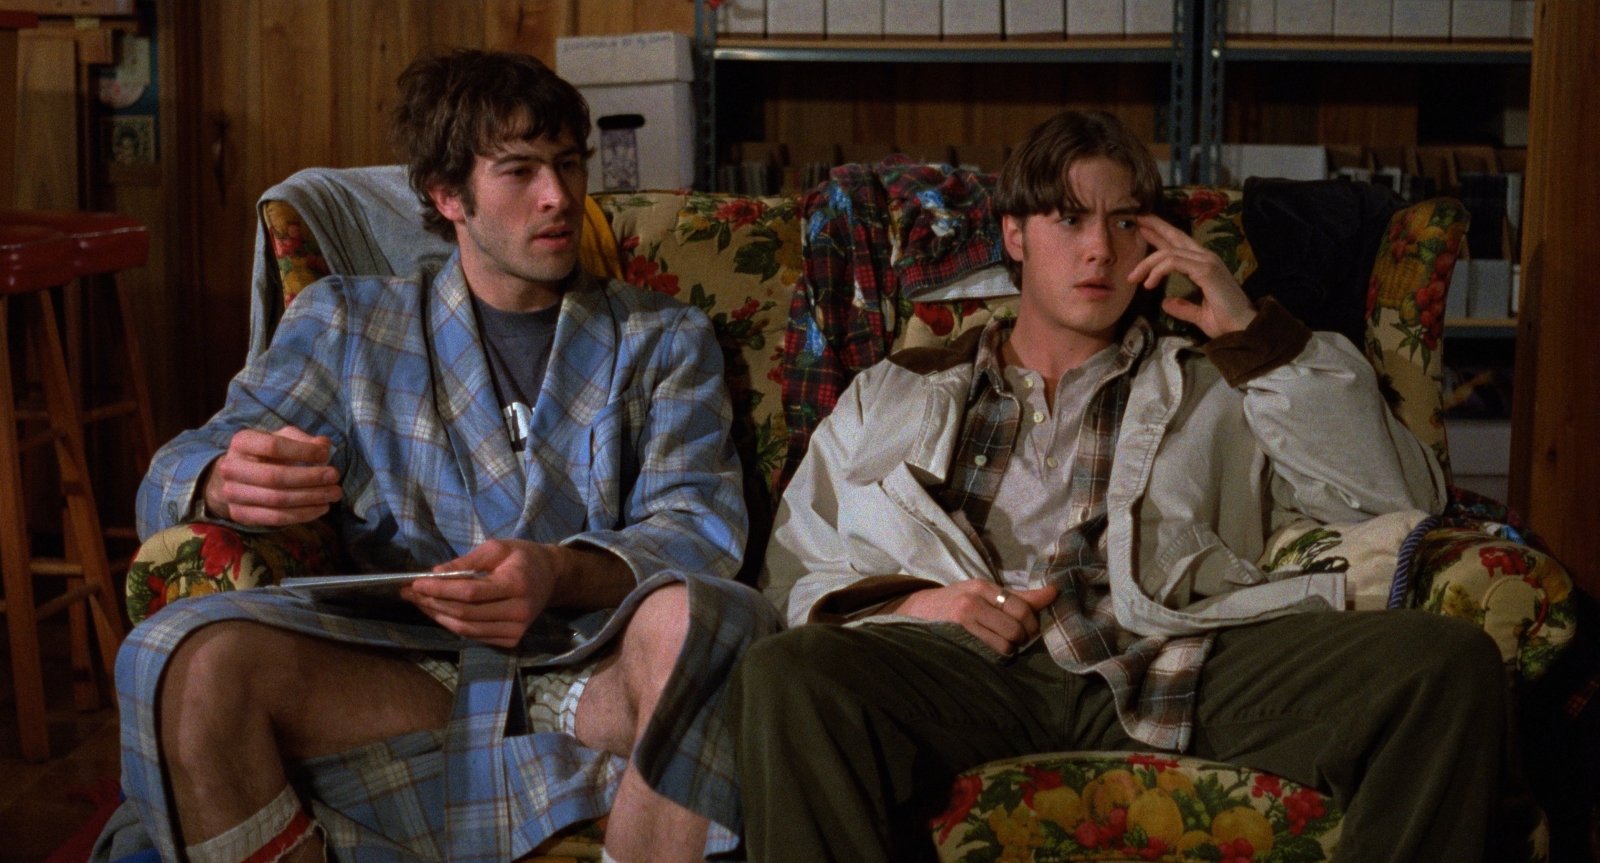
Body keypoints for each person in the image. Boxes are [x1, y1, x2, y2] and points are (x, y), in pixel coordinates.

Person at [734, 110, 1505, 863]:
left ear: (1152, 240)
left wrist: (1251, 335)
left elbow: (1394, 493)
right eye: (1069, 219)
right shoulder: (895, 391)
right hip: (968, 670)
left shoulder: (1217, 381)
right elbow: (792, 576)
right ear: (1014, 234)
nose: (1099, 248)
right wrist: (916, 604)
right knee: (786, 676)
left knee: (1445, 664)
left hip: (1171, 658)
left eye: (1125, 221)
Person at [118, 49, 776, 863]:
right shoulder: (348, 322)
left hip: (593, 670)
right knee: (177, 657)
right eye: (520, 171)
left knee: (714, 616)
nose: (558, 196)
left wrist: (556, 571)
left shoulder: (663, 338)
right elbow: (181, 464)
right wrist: (224, 480)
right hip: (407, 670)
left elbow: (698, 527)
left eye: (569, 164)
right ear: (446, 195)